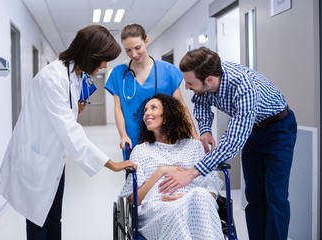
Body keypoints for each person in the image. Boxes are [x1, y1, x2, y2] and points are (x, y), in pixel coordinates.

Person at [0, 25, 136, 240]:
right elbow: (71, 131)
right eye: (104, 59)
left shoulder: (75, 75)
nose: (105, 64)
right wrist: (112, 164)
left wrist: (74, 108)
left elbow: (63, 115)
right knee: (37, 221)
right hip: (37, 160)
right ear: (91, 54)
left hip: (53, 161)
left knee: (53, 219)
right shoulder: (53, 77)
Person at [158, 47, 298, 240]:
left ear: (209, 80)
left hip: (278, 129)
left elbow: (232, 142)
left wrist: (191, 173)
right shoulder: (207, 79)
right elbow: (200, 101)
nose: (187, 88)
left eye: (190, 83)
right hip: (253, 132)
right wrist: (205, 130)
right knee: (254, 195)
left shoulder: (244, 87)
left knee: (276, 196)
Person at [120, 94, 224, 240]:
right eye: (145, 111)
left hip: (196, 203)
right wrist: (160, 172)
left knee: (200, 195)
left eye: (153, 108)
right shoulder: (141, 151)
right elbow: (133, 199)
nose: (147, 113)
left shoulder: (194, 147)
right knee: (177, 209)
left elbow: (211, 184)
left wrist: (188, 198)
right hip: (157, 207)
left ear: (168, 115)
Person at [104, 23, 198, 153]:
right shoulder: (118, 73)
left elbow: (181, 106)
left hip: (165, 139)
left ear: (146, 41)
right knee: (137, 172)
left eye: (137, 47)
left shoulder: (167, 70)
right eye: (128, 50)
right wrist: (123, 135)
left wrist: (194, 135)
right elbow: (118, 108)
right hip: (133, 140)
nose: (134, 54)